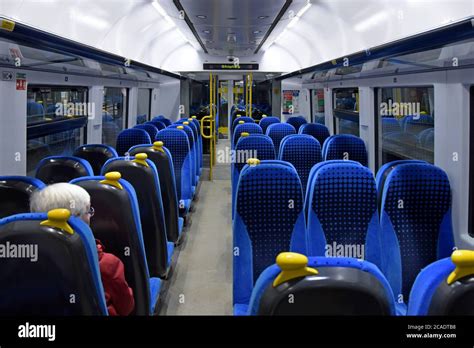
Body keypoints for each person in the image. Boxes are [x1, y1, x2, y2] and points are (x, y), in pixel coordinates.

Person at [30, 182, 135, 316]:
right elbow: (127, 306)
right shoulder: (107, 264)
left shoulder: (26, 259)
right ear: (76, 219)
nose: (91, 215)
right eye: (89, 210)